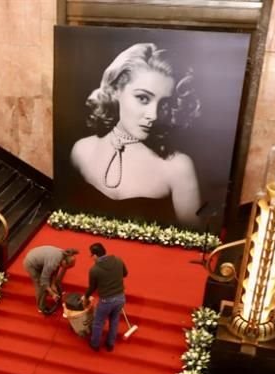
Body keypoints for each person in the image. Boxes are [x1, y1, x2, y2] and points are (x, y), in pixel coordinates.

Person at [69, 43, 202, 226]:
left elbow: (193, 244)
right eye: (143, 98)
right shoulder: (81, 150)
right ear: (116, 90)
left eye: (163, 103)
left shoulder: (178, 167)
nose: (153, 115)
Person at [83, 242, 128, 352]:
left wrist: (86, 296)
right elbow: (125, 274)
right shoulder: (118, 260)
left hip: (106, 300)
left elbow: (92, 287)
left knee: (98, 323)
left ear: (94, 255)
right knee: (114, 320)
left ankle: (95, 344)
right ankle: (110, 344)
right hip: (120, 297)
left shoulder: (94, 270)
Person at [22, 246, 78, 314]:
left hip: (41, 259)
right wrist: (52, 293)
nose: (66, 269)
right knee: (40, 286)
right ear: (64, 262)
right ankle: (41, 307)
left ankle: (51, 294)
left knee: (50, 282)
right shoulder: (52, 263)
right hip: (31, 264)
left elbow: (55, 270)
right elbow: (44, 281)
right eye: (67, 267)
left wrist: (53, 283)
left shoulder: (64, 255)